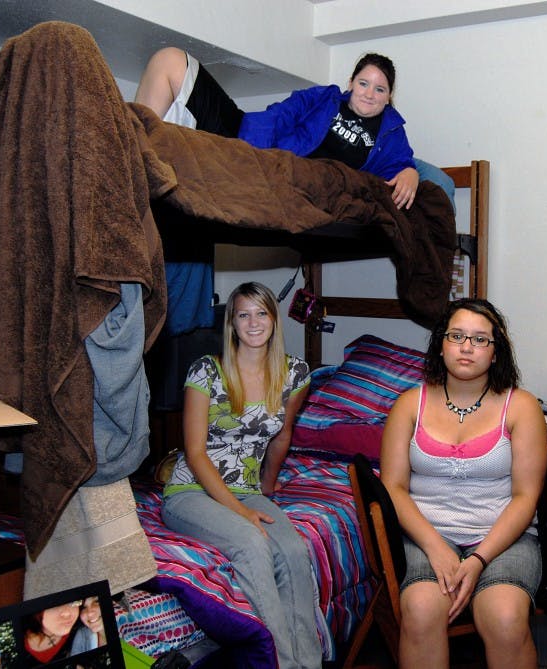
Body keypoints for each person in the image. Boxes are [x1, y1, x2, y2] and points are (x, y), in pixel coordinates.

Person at [380, 298, 547, 669]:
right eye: (456, 336)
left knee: (505, 617)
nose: (467, 347)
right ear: (441, 345)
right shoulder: (409, 404)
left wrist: (478, 558)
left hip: (502, 539)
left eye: (480, 339)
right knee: (422, 610)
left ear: (495, 352)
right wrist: (434, 546)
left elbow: (526, 496)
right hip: (427, 535)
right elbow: (393, 487)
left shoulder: (521, 407)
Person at [161, 281, 320, 669]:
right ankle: (279, 662)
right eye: (243, 314)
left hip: (249, 490)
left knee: (295, 552)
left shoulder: (295, 373)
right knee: (251, 542)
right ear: (231, 323)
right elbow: (196, 453)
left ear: (274, 318)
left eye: (261, 312)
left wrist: (265, 489)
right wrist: (240, 510)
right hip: (191, 491)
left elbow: (282, 435)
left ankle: (309, 663)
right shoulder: (207, 371)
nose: (253, 323)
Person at [135, 47, 436, 209]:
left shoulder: (391, 132)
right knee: (170, 60)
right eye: (364, 83)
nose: (370, 94)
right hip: (247, 139)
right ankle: (136, 163)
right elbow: (281, 116)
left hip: (278, 170)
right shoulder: (323, 97)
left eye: (380, 89)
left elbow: (402, 165)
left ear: (389, 96)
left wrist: (410, 173)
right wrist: (246, 150)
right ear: (351, 84)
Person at [20, 600, 83, 666]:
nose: (67, 613)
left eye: (73, 601)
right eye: (55, 604)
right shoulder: (21, 644)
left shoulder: (81, 627)